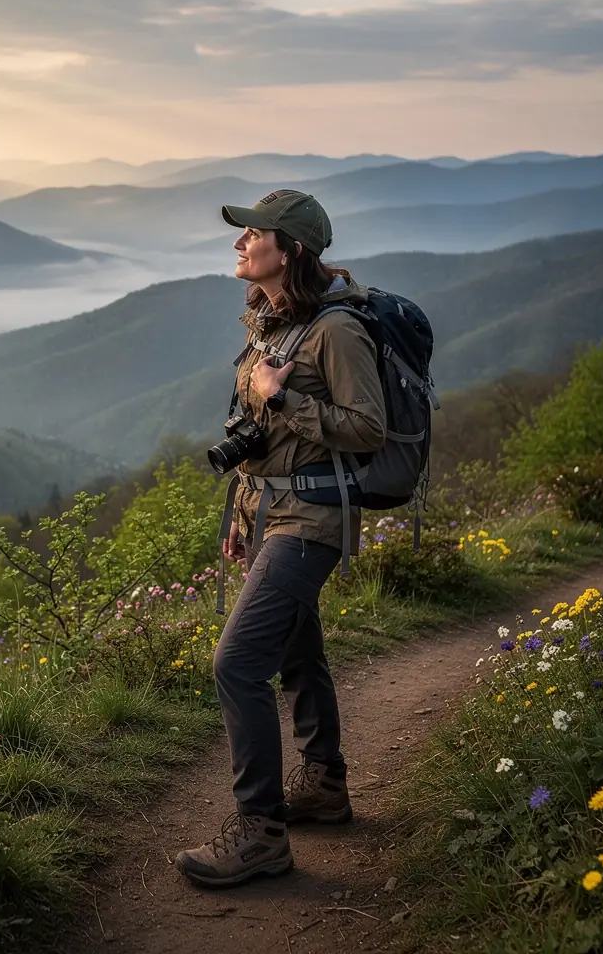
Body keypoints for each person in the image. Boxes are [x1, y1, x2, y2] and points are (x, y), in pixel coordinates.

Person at [175, 189, 387, 888]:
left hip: (314, 519)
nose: (240, 244)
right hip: (274, 514)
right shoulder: (273, 322)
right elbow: (265, 439)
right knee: (296, 647)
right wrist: (245, 517)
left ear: (290, 249)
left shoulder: (335, 331)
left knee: (236, 663)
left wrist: (282, 398)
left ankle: (261, 832)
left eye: (253, 234)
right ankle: (324, 785)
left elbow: (367, 428)